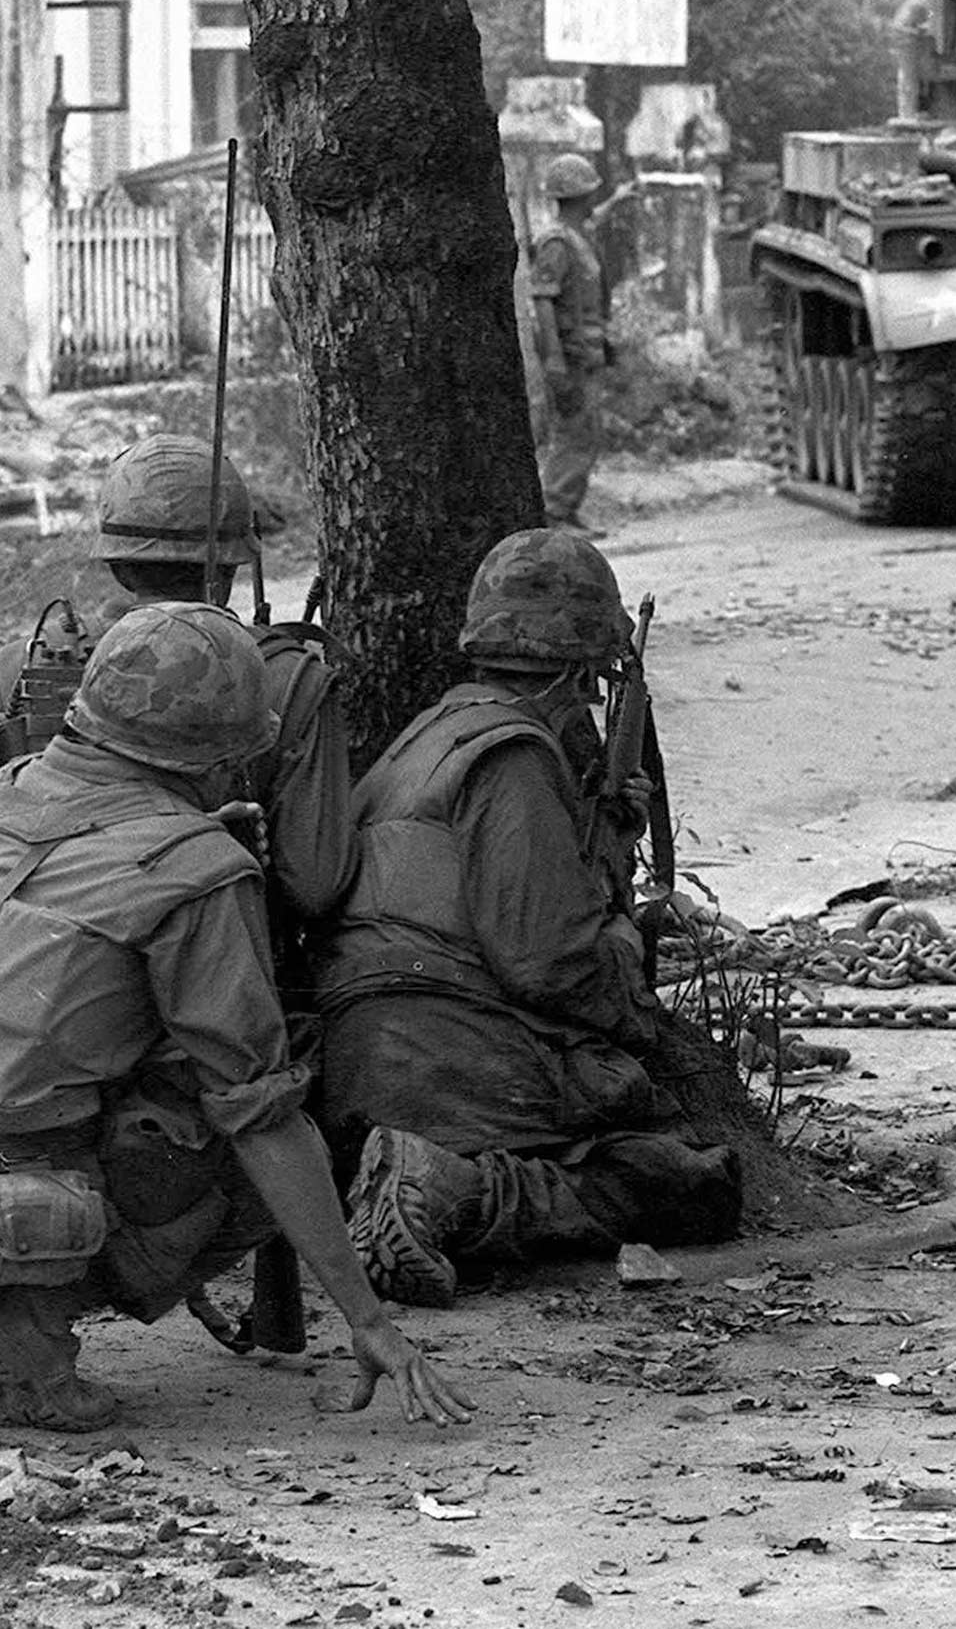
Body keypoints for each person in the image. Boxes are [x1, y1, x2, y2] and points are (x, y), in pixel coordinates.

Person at [0, 606, 473, 1433]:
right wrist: (368, 1321)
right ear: (226, 752)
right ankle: (21, 1334)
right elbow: (259, 1116)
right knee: (265, 1128)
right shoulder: (194, 872)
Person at [311, 528, 743, 1308]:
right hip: (446, 1054)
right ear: (581, 669)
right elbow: (551, 962)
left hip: (358, 1063)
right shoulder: (515, 756)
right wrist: (624, 959)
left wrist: (604, 839)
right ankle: (457, 1193)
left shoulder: (430, 733)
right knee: (686, 1183)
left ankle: (407, 1177)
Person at [0, 435, 353, 934]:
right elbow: (316, 885)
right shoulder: (291, 679)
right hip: (219, 955)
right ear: (232, 564)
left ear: (114, 563)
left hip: (36, 949)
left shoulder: (26, 663)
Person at [530, 154, 609, 533]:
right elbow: (543, 299)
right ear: (582, 196)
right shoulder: (557, 243)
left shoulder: (577, 237)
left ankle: (567, 507)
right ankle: (555, 510)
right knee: (572, 433)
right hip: (571, 356)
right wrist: (555, 359)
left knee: (586, 432)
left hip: (585, 354)